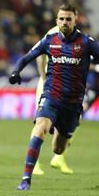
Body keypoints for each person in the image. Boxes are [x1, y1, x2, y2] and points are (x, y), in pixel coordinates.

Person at [9, 4, 99, 190]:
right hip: (51, 95)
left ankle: (58, 128)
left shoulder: (86, 42)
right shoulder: (49, 40)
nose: (65, 22)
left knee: (58, 149)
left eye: (68, 19)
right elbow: (27, 57)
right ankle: (26, 178)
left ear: (75, 20)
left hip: (73, 103)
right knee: (40, 126)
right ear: (56, 20)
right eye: (61, 19)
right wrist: (16, 71)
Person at [32, 27, 73, 176]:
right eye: (63, 18)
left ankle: (59, 158)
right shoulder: (52, 33)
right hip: (50, 84)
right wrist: (44, 78)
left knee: (75, 120)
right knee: (41, 122)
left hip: (68, 86)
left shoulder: (79, 37)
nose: (65, 22)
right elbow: (38, 55)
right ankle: (34, 162)